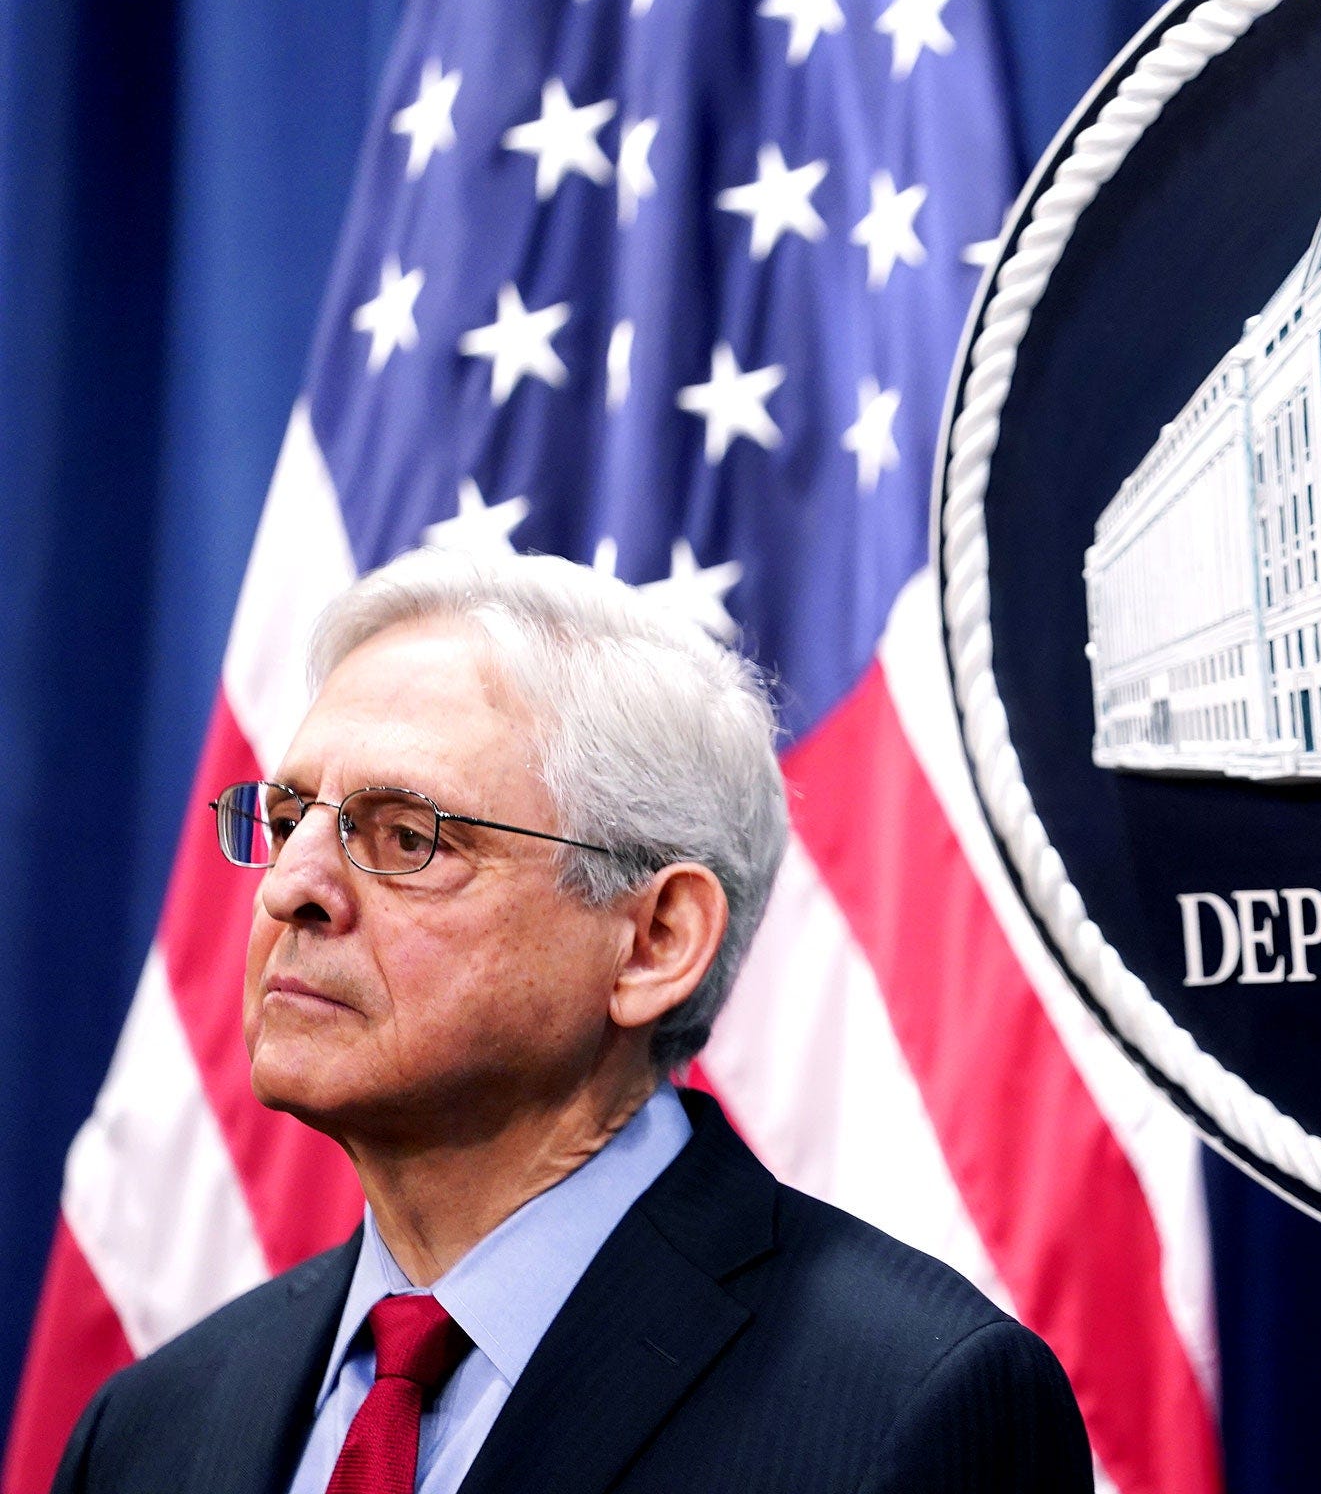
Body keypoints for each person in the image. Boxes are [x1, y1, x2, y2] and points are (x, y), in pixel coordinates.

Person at [50, 549, 1092, 1493]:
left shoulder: (910, 1406)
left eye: (406, 835)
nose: (291, 888)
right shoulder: (147, 1433)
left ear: (656, 939)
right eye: (285, 821)